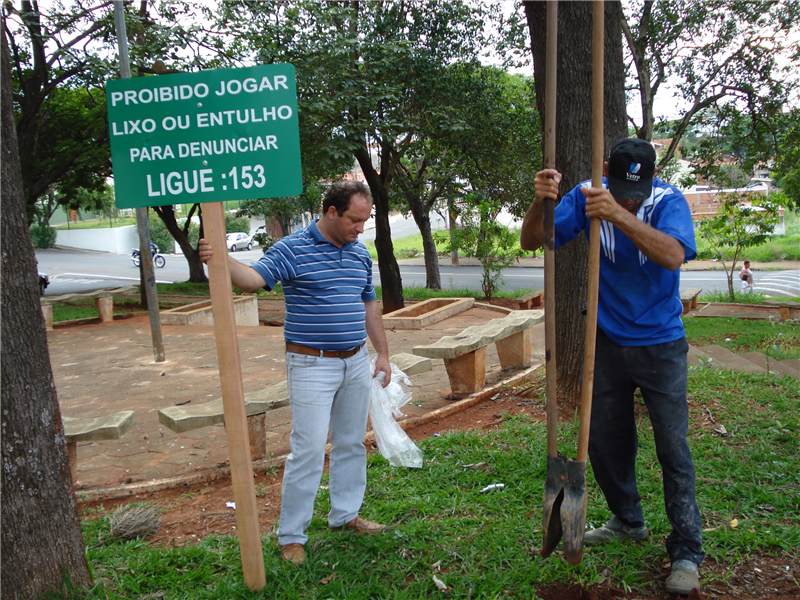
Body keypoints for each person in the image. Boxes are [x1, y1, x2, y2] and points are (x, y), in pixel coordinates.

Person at [520, 138, 704, 595]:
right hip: (603, 341)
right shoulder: (585, 194)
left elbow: (674, 255)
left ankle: (685, 550)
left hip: (661, 344)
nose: (627, 198)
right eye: (620, 189)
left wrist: (618, 213)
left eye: (634, 193)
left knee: (672, 449)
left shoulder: (668, 201)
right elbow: (535, 240)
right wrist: (540, 201)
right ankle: (628, 520)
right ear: (605, 169)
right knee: (603, 441)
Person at [198, 180, 392, 566]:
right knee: (307, 450)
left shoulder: (358, 252)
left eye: (365, 220)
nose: (361, 228)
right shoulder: (292, 248)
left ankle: (345, 515)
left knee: (351, 442)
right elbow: (254, 280)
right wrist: (218, 258)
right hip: (311, 364)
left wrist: (382, 354)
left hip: (355, 361)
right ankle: (292, 537)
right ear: (332, 212)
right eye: (355, 220)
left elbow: (369, 304)